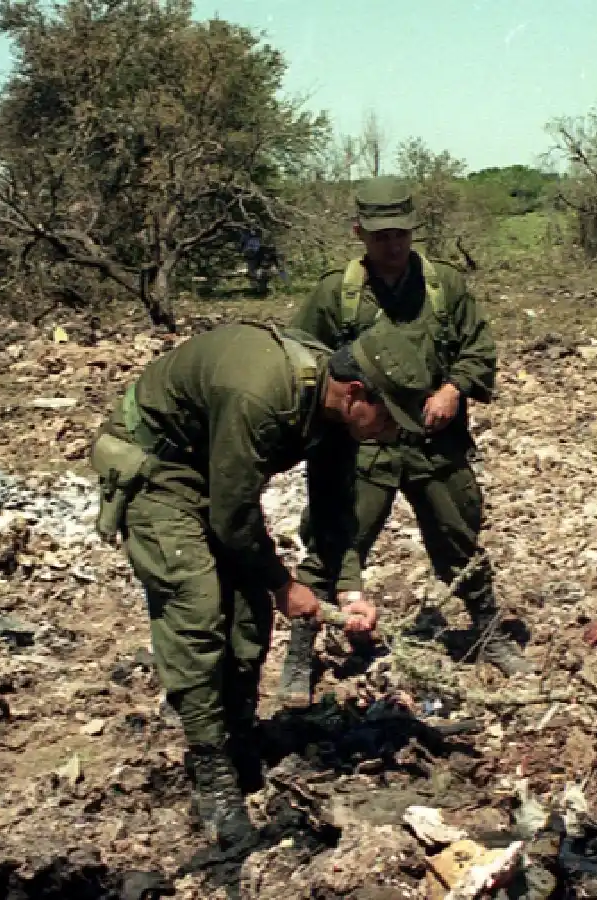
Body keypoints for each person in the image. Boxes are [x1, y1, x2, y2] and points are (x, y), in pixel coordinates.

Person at [89, 322, 432, 849]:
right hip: (159, 466)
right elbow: (232, 519)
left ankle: (240, 733)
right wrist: (284, 585)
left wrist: (348, 589)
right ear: (357, 393)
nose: (389, 432)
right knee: (198, 607)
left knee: (248, 609)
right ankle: (211, 765)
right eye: (388, 417)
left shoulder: (337, 410)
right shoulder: (264, 393)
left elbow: (334, 505)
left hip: (218, 464)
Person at [278, 177, 528, 706]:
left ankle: (487, 632)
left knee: (458, 536)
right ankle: (301, 650)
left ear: (413, 230)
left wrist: (454, 389)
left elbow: (477, 347)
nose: (391, 246)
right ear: (359, 233)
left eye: (400, 234)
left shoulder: (445, 286)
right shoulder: (335, 295)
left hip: (433, 440)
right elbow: (304, 361)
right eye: (379, 236)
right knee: (332, 543)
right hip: (360, 446)